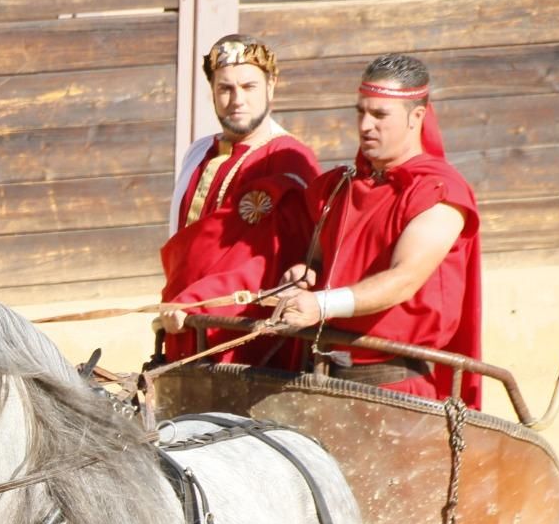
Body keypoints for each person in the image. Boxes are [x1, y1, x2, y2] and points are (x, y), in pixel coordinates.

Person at [271, 53, 483, 407]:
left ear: (417, 117)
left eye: (380, 115)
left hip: (394, 393)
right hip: (317, 379)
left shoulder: (440, 193)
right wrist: (305, 274)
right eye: (360, 112)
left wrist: (321, 304)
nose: (366, 125)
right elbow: (320, 263)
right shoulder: (339, 186)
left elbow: (404, 279)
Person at [157, 34, 319, 364]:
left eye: (248, 87)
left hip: (248, 343)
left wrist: (194, 304)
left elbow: (263, 263)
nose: (237, 100)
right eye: (225, 89)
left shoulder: (289, 158)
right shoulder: (198, 152)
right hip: (182, 324)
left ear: (271, 86)